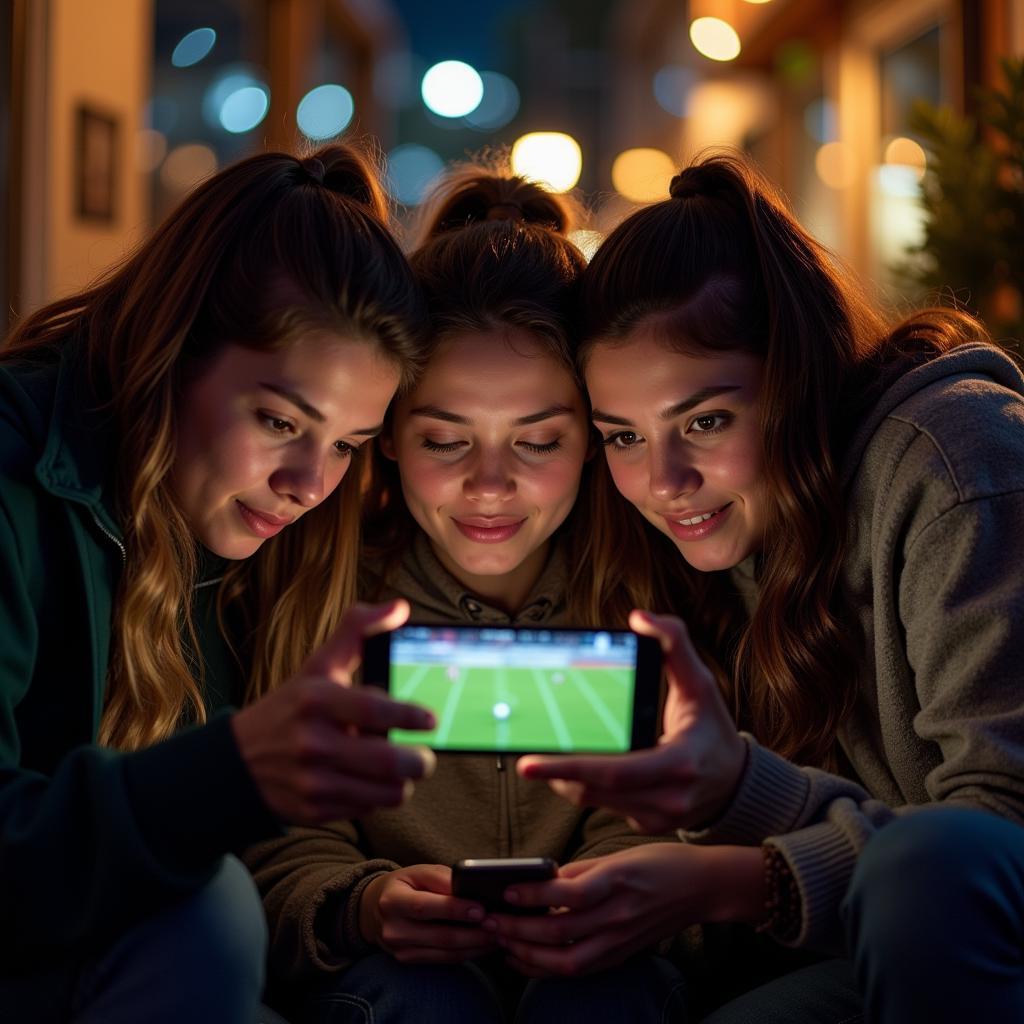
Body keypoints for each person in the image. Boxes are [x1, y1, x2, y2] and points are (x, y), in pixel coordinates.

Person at [475, 153, 1024, 1023]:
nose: (665, 480)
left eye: (705, 420)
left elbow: (983, 846)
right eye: (622, 436)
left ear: (798, 378)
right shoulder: (708, 542)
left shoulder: (957, 459)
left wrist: (737, 878)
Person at [0, 143, 439, 1024]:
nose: (310, 483)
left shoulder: (268, 541)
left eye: (349, 444)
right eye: (281, 420)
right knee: (208, 917)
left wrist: (365, 902)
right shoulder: (13, 479)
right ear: (171, 353)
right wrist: (226, 774)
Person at [246, 165, 687, 1024]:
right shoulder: (324, 595)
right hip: (391, 979)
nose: (490, 486)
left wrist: (619, 892)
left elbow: (674, 813)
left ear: (595, 439)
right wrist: (359, 903)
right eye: (446, 439)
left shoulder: (648, 592)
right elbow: (276, 840)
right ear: (385, 439)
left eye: (539, 442)